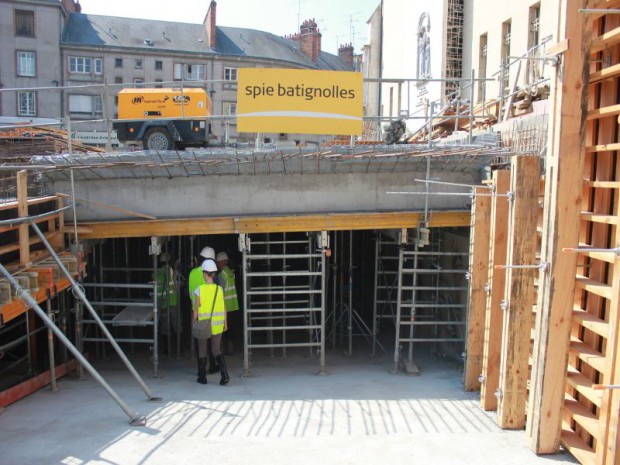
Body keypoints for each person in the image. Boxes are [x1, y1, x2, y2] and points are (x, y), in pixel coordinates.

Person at [193, 259, 229, 385]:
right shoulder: (219, 289)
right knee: (216, 350)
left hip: (204, 325)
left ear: (204, 274)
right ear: (213, 274)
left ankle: (202, 377)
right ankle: (225, 376)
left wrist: (194, 322)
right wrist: (225, 323)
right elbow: (224, 307)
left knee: (202, 351)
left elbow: (196, 309)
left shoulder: (199, 290)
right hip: (218, 325)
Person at [188, 246, 219, 374]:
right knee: (212, 340)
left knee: (199, 340)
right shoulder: (211, 273)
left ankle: (201, 370)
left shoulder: (193, 273)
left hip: (196, 311)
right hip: (210, 312)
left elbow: (189, 293)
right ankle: (212, 366)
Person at [216, 251, 239, 355]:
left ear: (222, 262)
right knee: (231, 328)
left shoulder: (221, 275)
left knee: (223, 329)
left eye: (218, 262)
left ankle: (222, 349)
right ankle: (231, 348)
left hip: (225, 306)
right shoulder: (231, 273)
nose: (217, 264)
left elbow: (220, 292)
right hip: (233, 305)